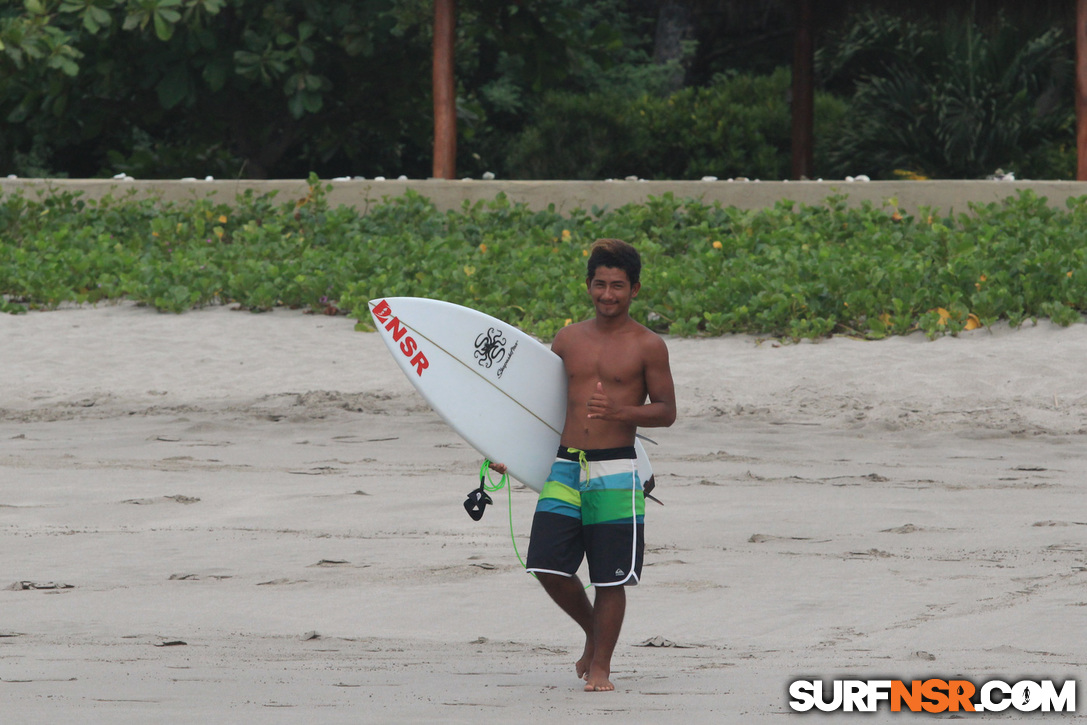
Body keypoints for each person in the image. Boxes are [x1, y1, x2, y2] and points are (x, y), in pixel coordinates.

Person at [492, 238, 676, 692]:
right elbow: (543, 408)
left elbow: (667, 411)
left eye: (617, 286)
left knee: (609, 576)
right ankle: (594, 633)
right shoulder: (567, 339)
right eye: (599, 284)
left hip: (617, 468)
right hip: (566, 466)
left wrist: (621, 413)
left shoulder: (648, 346)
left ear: (635, 288)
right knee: (547, 564)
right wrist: (503, 449)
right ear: (588, 285)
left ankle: (601, 668)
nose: (607, 295)